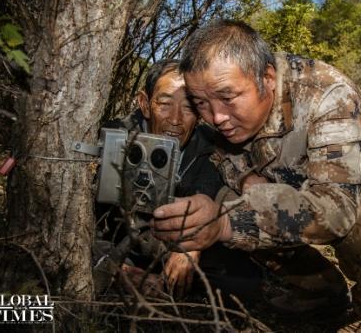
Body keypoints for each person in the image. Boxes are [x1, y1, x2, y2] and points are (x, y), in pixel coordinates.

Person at [150, 20, 361, 330]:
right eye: (201, 103)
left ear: (267, 78)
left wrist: (227, 222)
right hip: (295, 189)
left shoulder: (327, 94)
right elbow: (224, 166)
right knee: (231, 199)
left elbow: (337, 211)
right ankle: (321, 291)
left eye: (228, 98)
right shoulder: (219, 111)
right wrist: (243, 185)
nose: (216, 117)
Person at [94, 59, 259, 299]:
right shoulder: (116, 142)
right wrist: (115, 269)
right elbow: (88, 224)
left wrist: (193, 245)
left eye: (189, 108)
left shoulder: (210, 145)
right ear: (145, 103)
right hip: (123, 248)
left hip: (175, 247)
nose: (175, 119)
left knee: (244, 281)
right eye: (164, 103)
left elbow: (213, 197)